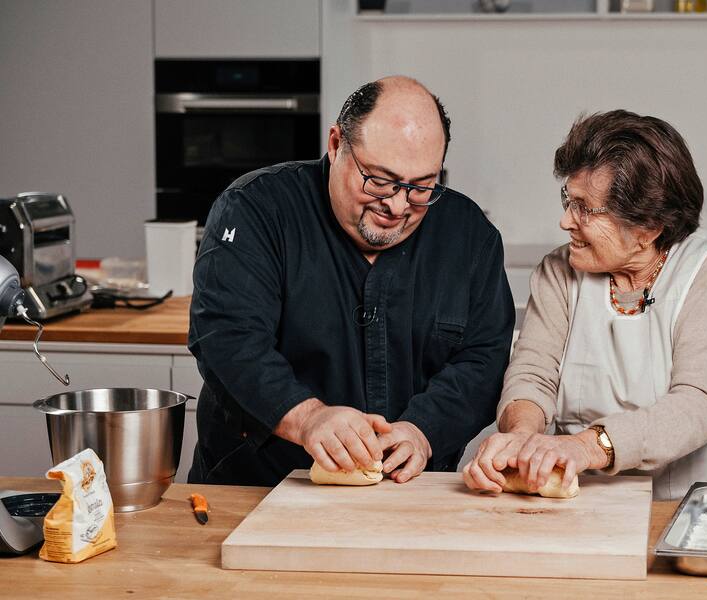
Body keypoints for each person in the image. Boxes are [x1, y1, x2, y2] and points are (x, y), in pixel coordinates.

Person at [188, 76, 515, 487]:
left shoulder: (470, 236)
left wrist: (423, 429)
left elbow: (483, 359)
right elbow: (227, 339)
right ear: (336, 143)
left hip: (411, 497)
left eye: (422, 186)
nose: (397, 206)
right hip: (256, 487)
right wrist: (307, 417)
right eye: (379, 180)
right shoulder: (256, 210)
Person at [463, 109, 707, 501]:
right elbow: (533, 373)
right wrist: (523, 436)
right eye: (567, 200)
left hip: (705, 499)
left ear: (646, 229)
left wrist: (585, 447)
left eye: (585, 209)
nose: (565, 221)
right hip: (588, 497)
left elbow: (697, 405)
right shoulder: (559, 270)